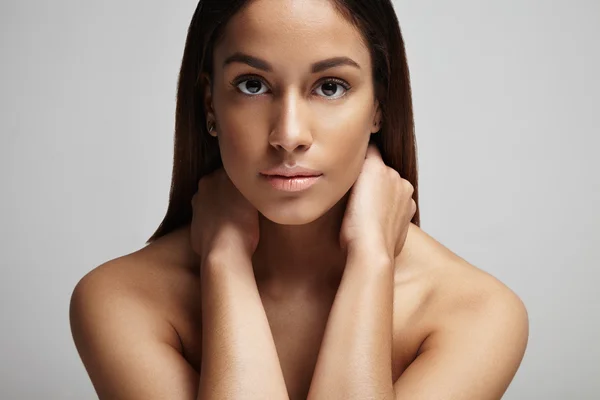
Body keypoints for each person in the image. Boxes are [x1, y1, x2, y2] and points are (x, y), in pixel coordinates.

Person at [69, 0, 529, 399]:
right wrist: (225, 261)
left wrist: (371, 260)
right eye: (252, 84)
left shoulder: (476, 314)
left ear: (379, 107)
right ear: (210, 103)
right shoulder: (121, 300)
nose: (289, 135)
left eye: (330, 86)